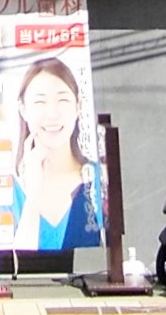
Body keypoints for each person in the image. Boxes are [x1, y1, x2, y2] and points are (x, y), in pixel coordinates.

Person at [10, 57, 103, 250]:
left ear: (78, 107)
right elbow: (12, 265)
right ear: (23, 109)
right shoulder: (6, 190)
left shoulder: (99, 180)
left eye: (62, 100)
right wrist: (33, 197)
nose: (52, 114)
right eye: (40, 102)